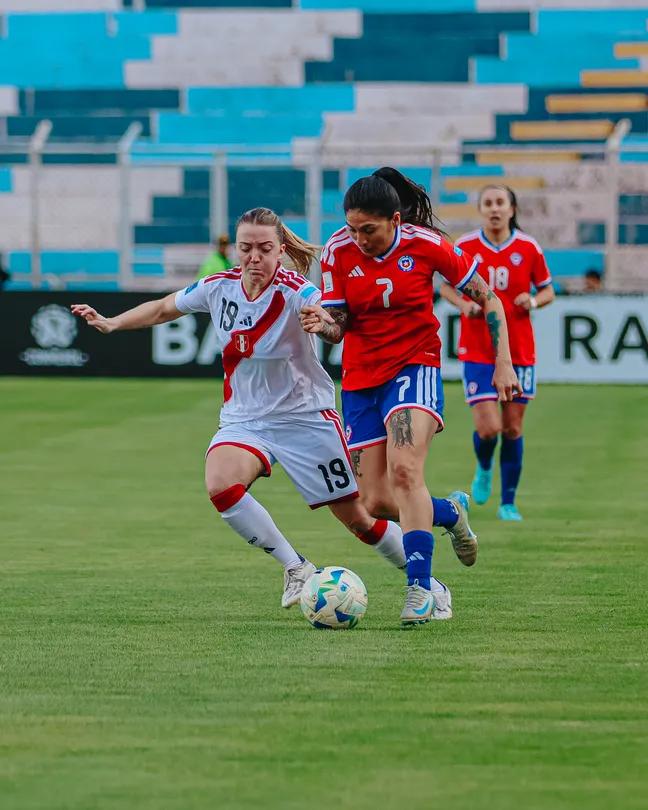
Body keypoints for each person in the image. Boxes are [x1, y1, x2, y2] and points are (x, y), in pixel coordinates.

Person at [71, 207, 438, 619]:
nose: (254, 257)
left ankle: (425, 582)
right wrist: (111, 323)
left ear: (281, 251)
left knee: (362, 519)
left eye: (264, 248)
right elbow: (162, 308)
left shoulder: (297, 291)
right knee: (220, 482)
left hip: (306, 417)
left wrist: (324, 321)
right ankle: (297, 567)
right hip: (246, 420)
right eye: (246, 248)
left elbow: (336, 317)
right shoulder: (217, 287)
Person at [300, 168, 520, 627]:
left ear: (395, 221)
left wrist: (503, 362)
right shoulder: (338, 250)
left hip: (414, 367)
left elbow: (490, 299)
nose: (359, 238)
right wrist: (326, 325)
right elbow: (340, 324)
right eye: (353, 227)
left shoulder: (428, 245)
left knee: (405, 471)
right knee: (373, 501)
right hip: (361, 380)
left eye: (370, 230)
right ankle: (449, 512)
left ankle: (421, 588)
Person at [440, 184, 555, 521]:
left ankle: (508, 502)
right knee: (490, 428)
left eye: (500, 202)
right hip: (477, 349)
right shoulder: (465, 246)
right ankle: (485, 465)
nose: (494, 208)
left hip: (518, 350)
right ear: (480, 209)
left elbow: (548, 289)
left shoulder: (528, 247)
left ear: (511, 209)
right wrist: (464, 304)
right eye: (487, 202)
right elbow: (445, 285)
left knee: (513, 428)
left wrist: (532, 300)